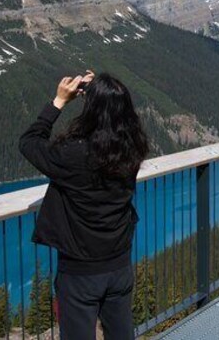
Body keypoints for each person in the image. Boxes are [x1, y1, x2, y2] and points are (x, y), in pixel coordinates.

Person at [20, 72, 149, 339]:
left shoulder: (74, 154)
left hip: (80, 273)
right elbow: (110, 117)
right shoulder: (133, 147)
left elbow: (29, 142)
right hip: (119, 264)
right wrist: (98, 89)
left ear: (91, 111)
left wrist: (58, 101)